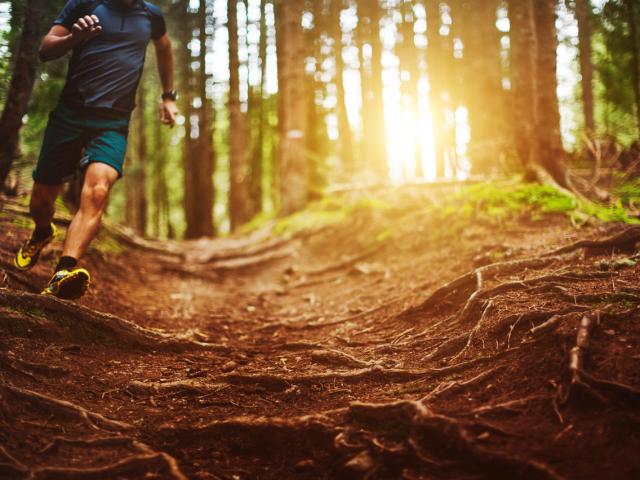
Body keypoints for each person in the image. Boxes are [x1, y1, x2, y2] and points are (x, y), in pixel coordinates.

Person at [13, 0, 178, 300]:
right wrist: (74, 38)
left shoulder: (150, 15)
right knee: (40, 203)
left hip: (113, 122)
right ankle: (42, 232)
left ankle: (63, 272)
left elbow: (164, 47)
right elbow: (45, 49)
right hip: (70, 115)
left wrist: (168, 96)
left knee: (98, 190)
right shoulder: (85, 4)